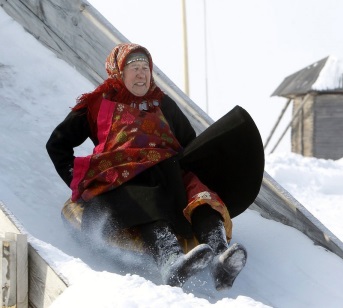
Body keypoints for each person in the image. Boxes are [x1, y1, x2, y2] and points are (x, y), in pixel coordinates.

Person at [46, 43, 260, 290]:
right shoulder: (96, 104)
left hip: (167, 172)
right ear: (119, 72)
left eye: (145, 68)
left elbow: (191, 145)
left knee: (199, 196)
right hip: (123, 177)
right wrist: (77, 180)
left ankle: (220, 259)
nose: (141, 74)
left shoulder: (162, 103)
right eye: (134, 68)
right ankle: (170, 262)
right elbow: (57, 145)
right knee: (146, 202)